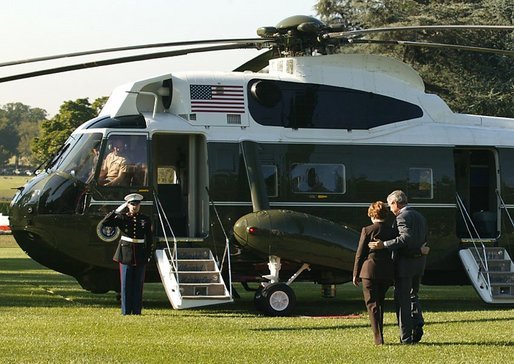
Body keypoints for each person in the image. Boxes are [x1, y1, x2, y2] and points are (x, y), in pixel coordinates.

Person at [368, 190, 429, 344]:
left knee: (402, 301)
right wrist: (419, 251)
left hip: (404, 266)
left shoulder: (402, 217)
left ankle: (406, 337)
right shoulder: (420, 216)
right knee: (413, 296)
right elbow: (423, 239)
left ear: (396, 203)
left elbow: (404, 238)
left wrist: (384, 245)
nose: (390, 209)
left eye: (390, 205)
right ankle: (418, 323)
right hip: (419, 263)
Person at [353, 201, 398, 345]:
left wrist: (355, 273)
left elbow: (360, 254)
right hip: (386, 271)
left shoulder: (367, 230)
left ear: (372, 215)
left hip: (369, 271)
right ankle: (380, 333)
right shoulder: (392, 231)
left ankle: (378, 338)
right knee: (380, 303)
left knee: (372, 304)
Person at [101, 193, 154, 315]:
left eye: (137, 204)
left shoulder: (145, 219)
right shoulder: (122, 218)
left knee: (138, 285)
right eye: (132, 204)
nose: (135, 206)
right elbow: (105, 223)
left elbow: (149, 238)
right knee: (125, 284)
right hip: (125, 253)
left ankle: (136, 311)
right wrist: (117, 211)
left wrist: (148, 254)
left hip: (140, 253)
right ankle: (125, 311)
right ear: (128, 205)